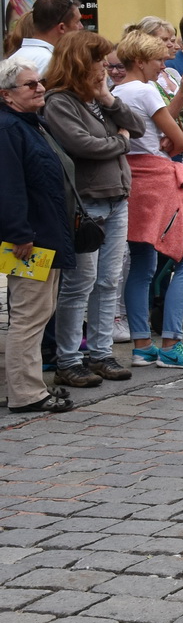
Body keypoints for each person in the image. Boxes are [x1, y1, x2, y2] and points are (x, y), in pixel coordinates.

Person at [41, 31, 141, 385]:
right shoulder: (59, 102)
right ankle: (68, 359)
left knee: (109, 280)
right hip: (87, 203)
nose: (106, 68)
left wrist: (109, 101)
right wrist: (120, 142)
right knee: (79, 283)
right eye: (100, 61)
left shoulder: (98, 98)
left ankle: (100, 353)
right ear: (82, 62)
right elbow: (83, 145)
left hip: (116, 197)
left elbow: (138, 126)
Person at [112, 32, 183, 370]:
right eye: (158, 59)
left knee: (142, 266)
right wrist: (173, 139)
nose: (163, 64)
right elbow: (180, 137)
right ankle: (171, 342)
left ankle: (142, 344)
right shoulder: (144, 90)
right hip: (157, 181)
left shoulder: (117, 91)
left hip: (132, 179)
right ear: (140, 61)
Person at [0, 59, 76, 413]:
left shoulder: (31, 123)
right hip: (29, 240)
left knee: (38, 312)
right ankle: (27, 393)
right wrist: (19, 233)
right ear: (7, 95)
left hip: (46, 232)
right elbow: (9, 187)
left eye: (40, 81)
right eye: (30, 85)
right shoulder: (8, 128)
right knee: (29, 315)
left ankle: (22, 385)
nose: (40, 87)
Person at [7, 0, 81, 73]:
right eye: (77, 22)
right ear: (61, 27)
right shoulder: (51, 63)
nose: (81, 27)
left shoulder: (13, 58)